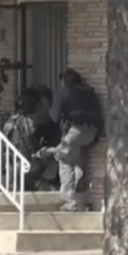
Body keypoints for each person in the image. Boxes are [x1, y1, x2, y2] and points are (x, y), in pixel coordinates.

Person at [40, 68, 102, 211]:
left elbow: (54, 115)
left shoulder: (65, 90)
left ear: (64, 80)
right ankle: (81, 201)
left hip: (75, 130)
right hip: (92, 132)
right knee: (80, 163)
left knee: (65, 161)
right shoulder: (89, 90)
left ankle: (69, 203)